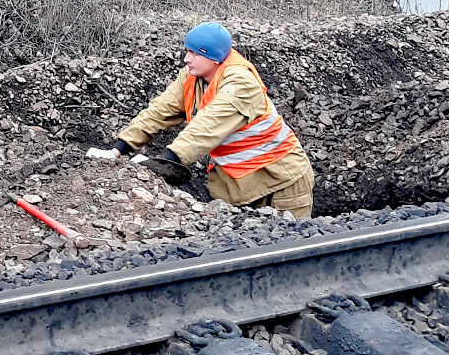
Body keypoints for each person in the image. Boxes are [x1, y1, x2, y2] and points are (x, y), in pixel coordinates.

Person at [90, 22, 315, 217]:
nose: (187, 59)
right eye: (187, 51)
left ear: (215, 58)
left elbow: (207, 126)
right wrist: (119, 149)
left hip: (282, 183)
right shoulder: (192, 77)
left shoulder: (241, 83)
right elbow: (159, 110)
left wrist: (167, 160)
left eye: (196, 53)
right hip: (240, 184)